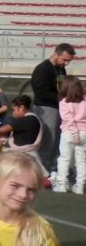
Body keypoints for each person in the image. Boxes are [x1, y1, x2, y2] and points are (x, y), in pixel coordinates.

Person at [30, 43, 76, 175]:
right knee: (48, 140)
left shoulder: (61, 69)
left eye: (69, 61)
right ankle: (42, 171)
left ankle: (52, 168)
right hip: (46, 108)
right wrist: (62, 98)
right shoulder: (42, 69)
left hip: (59, 107)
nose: (66, 63)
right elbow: (41, 93)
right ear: (55, 54)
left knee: (57, 141)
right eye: (64, 59)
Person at [0, 95, 43, 170]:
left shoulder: (28, 119)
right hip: (29, 154)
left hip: (23, 156)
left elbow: (5, 128)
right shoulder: (33, 119)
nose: (13, 113)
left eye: (14, 110)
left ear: (21, 107)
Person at [57, 76, 86, 194]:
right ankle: (80, 186)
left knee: (64, 158)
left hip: (68, 132)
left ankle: (62, 184)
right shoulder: (84, 100)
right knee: (81, 161)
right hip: (84, 132)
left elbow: (67, 119)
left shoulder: (63, 102)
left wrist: (74, 133)